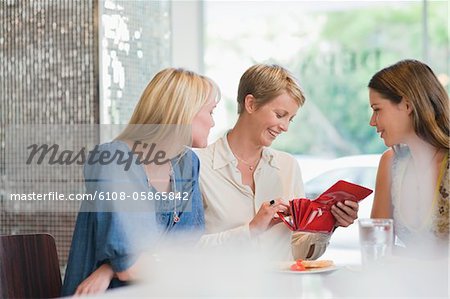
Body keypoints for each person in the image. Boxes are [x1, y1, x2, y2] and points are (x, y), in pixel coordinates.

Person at [62, 68, 219, 295]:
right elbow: (131, 269)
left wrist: (110, 268)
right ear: (184, 112)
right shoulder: (113, 160)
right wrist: (122, 266)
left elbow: (187, 249)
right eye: (211, 112)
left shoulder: (187, 163)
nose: (213, 123)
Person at [196, 64, 359, 260]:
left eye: (291, 119)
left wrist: (328, 223)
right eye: (280, 115)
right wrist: (252, 229)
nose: (285, 127)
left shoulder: (287, 166)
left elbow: (300, 255)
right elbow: (187, 251)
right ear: (251, 104)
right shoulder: (198, 166)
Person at [368, 59, 449, 249]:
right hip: (406, 278)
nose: (372, 121)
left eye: (377, 109)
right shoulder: (390, 163)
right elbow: (378, 246)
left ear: (407, 105)